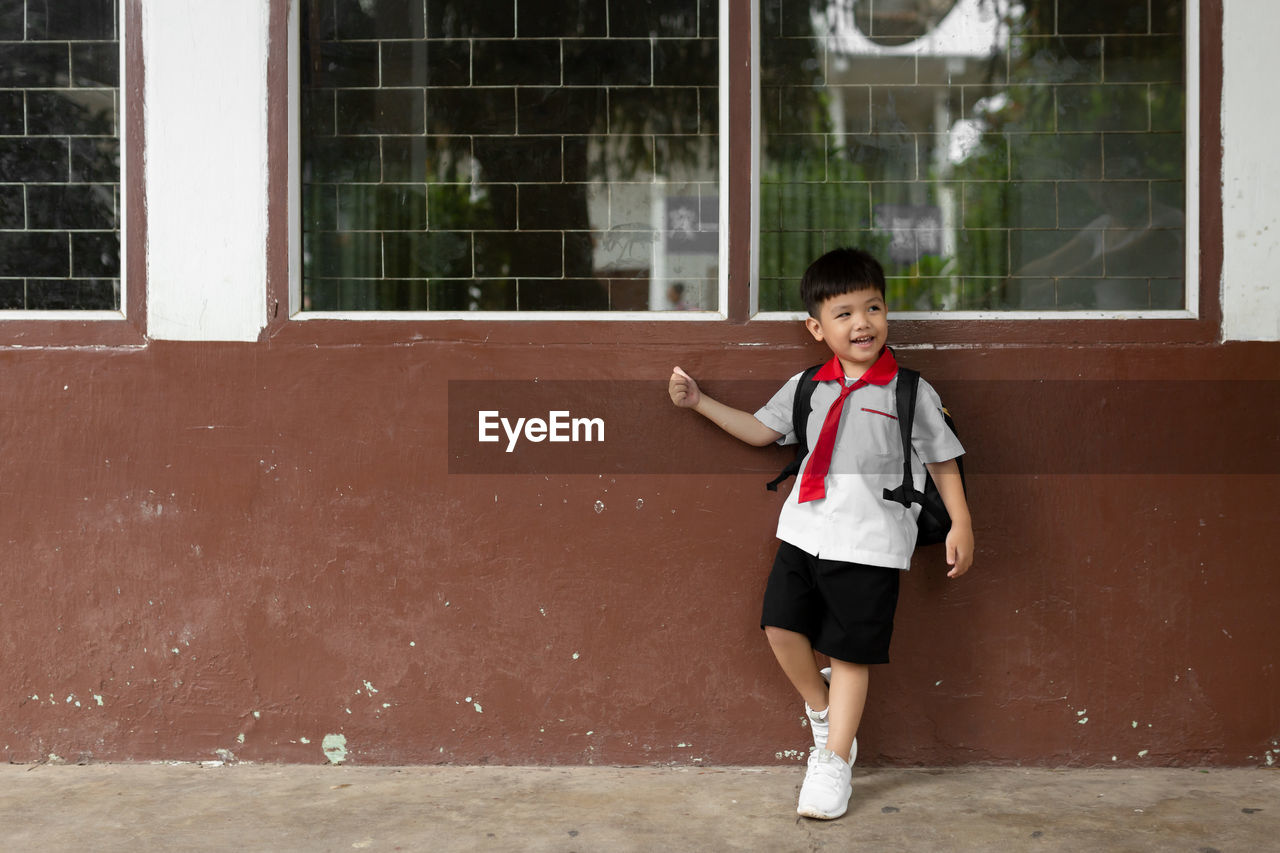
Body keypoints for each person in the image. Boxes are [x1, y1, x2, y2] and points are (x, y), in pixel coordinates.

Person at [667, 247, 973, 820]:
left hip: (873, 541)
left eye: (874, 308)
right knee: (781, 628)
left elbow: (942, 461)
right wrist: (699, 402)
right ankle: (825, 709)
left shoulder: (910, 392)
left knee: (852, 653)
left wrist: (962, 523)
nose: (862, 323)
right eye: (844, 313)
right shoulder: (808, 385)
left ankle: (834, 762)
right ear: (816, 327)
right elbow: (762, 432)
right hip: (804, 532)